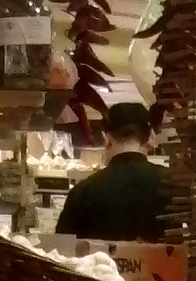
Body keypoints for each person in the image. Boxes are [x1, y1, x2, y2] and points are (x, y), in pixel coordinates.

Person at [55, 95, 175, 244]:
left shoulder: (82, 192)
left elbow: (60, 248)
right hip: (164, 260)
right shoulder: (173, 185)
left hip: (99, 260)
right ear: (150, 136)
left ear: (106, 138)